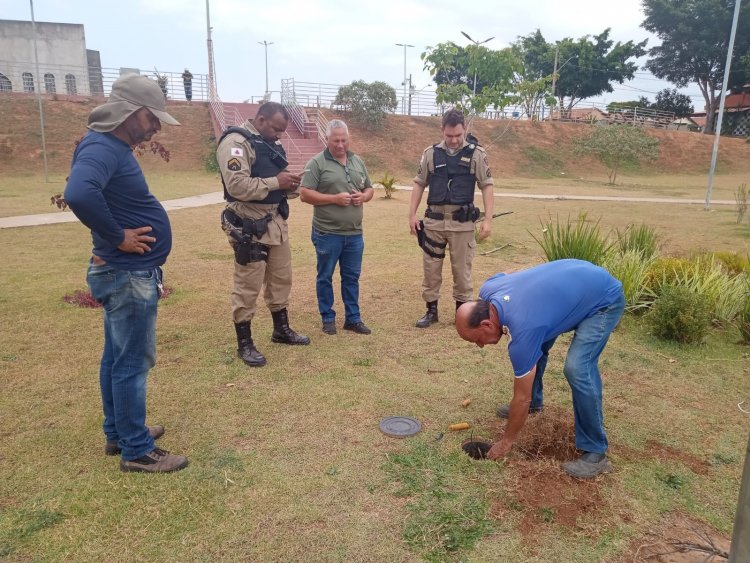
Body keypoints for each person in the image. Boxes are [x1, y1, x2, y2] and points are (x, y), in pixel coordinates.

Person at [64, 74, 188, 473]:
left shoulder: (110, 147)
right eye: (153, 118)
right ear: (133, 113)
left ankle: (119, 433)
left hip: (125, 272)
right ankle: (136, 450)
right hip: (127, 274)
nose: (155, 127)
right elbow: (79, 194)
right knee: (132, 361)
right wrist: (117, 238)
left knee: (116, 358)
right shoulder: (102, 147)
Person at [455, 259, 626, 478]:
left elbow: (520, 397)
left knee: (577, 368)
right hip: (577, 279)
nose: (480, 345)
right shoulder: (488, 290)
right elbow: (507, 273)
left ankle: (596, 452)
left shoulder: (523, 329)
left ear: (486, 324)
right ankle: (536, 405)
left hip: (602, 299)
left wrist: (506, 442)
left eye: (476, 339)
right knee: (539, 344)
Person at [217, 101, 310, 368]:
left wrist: (291, 185)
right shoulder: (236, 142)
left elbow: (275, 182)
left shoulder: (269, 143)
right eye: (276, 129)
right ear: (260, 119)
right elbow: (237, 186)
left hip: (276, 222)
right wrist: (276, 183)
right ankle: (244, 343)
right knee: (248, 284)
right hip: (249, 224)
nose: (279, 135)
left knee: (281, 278)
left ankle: (281, 330)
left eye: (282, 130)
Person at [408, 108, 495, 328]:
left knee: (462, 270)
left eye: (458, 135)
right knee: (431, 268)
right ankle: (431, 311)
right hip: (434, 223)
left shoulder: (477, 154)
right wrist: (411, 215)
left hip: (462, 224)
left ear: (464, 129)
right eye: (449, 136)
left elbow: (487, 186)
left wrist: (488, 220)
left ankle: (462, 313)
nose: (454, 140)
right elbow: (419, 183)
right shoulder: (430, 153)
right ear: (442, 131)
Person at [300, 119, 374, 335]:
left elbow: (369, 188)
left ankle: (353, 318)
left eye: (343, 140)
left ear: (348, 138)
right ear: (327, 139)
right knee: (325, 276)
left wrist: (364, 196)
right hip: (327, 233)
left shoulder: (357, 161)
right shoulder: (317, 163)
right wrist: (333, 199)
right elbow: (304, 194)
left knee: (351, 278)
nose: (340, 145)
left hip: (354, 234)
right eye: (335, 140)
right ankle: (327, 317)